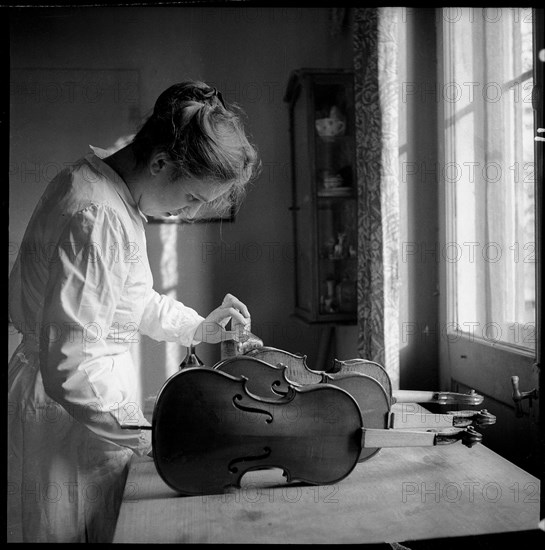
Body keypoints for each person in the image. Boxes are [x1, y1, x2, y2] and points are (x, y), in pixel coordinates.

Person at [8, 81, 261, 543]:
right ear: (160, 162)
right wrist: (151, 436)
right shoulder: (97, 215)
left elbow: (133, 298)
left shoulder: (107, 191)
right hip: (69, 414)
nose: (186, 215)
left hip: (84, 409)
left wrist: (200, 327)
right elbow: (71, 364)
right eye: (190, 199)